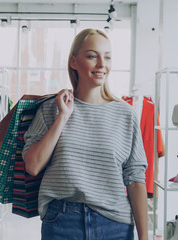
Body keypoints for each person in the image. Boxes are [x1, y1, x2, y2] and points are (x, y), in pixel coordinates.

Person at [22, 28, 148, 240]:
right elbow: (32, 166)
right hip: (61, 223)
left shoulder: (125, 114)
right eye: (92, 56)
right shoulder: (51, 109)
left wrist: (145, 236)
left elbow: (135, 180)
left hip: (115, 225)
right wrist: (63, 116)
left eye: (107, 57)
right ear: (73, 62)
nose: (102, 64)